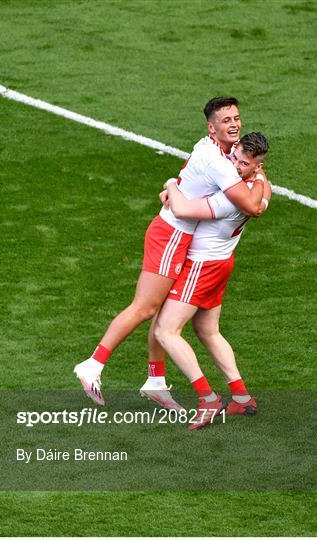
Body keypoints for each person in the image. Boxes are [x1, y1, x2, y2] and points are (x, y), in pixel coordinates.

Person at [74, 97, 266, 407]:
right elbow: (251, 206)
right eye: (226, 120)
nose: (234, 124)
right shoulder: (220, 163)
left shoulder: (214, 148)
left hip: (179, 237)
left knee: (162, 311)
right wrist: (258, 178)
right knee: (146, 308)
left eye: (236, 118)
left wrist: (173, 183)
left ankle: (156, 380)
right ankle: (93, 364)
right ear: (211, 127)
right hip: (172, 236)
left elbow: (186, 172)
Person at [153, 132, 271, 430]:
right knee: (208, 330)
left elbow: (181, 209)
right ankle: (242, 398)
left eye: (243, 163)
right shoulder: (260, 187)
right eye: (234, 156)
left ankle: (207, 398)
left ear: (257, 165)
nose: (234, 164)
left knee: (165, 331)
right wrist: (256, 177)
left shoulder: (229, 197)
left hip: (201, 267)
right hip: (222, 263)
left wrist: (170, 184)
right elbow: (261, 200)